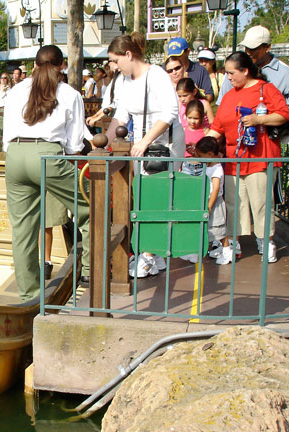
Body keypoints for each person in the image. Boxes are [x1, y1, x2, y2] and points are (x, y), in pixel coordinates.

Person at [2, 44, 91, 300]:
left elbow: (7, 136)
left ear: (35, 65)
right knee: (91, 206)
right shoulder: (70, 94)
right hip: (49, 155)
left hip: (16, 155)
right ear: (62, 66)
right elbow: (74, 146)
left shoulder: (16, 91)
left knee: (23, 230)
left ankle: (29, 295)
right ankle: (88, 270)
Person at [104, 32, 185, 278]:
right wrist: (101, 145)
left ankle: (148, 256)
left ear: (128, 55)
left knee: (154, 201)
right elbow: (120, 116)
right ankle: (154, 253)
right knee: (143, 199)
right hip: (142, 148)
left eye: (116, 61)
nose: (114, 67)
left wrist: (145, 140)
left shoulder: (157, 75)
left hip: (163, 147)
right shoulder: (127, 82)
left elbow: (171, 111)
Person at [207, 51, 289, 265]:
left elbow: (284, 114)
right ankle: (233, 242)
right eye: (226, 73)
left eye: (231, 73)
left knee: (261, 202)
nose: (228, 77)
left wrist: (258, 119)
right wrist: (199, 148)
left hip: (260, 157)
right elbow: (217, 128)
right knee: (234, 203)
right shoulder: (228, 96)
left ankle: (266, 241)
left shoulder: (266, 89)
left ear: (245, 71)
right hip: (233, 160)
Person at [218, 26, 289, 118]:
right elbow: (222, 104)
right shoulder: (234, 72)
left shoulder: (286, 73)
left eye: (253, 48)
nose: (248, 52)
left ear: (267, 47)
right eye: (246, 48)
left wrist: (277, 120)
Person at [194, 136, 227, 262]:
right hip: (207, 200)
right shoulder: (208, 166)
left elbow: (216, 189)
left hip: (214, 202)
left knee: (218, 229)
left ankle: (226, 250)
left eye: (201, 156)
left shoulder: (217, 168)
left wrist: (209, 205)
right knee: (207, 228)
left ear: (210, 154)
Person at [166, 37, 215, 102]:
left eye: (179, 55)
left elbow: (209, 96)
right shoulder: (163, 71)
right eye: (173, 56)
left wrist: (196, 100)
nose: (176, 58)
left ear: (188, 52)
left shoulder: (200, 70)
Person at [181, 99, 207, 164]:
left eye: (196, 118)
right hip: (186, 164)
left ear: (201, 117)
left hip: (201, 165)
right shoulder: (183, 130)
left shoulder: (206, 131)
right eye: (189, 118)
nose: (192, 121)